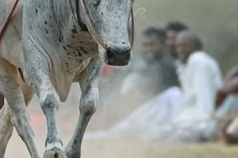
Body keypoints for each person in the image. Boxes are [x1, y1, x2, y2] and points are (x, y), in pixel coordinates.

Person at [89, 30, 222, 141]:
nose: (180, 49)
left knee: (171, 97)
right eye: (178, 46)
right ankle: (116, 132)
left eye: (184, 45)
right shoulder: (186, 63)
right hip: (187, 119)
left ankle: (116, 133)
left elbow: (205, 100)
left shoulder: (198, 60)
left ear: (196, 47)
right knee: (150, 130)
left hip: (197, 122)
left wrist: (205, 128)